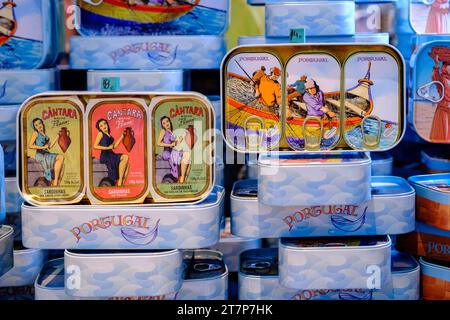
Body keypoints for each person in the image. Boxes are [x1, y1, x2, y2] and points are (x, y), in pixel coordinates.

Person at [28, 118, 65, 187]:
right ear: (34, 127)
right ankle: (55, 182)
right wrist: (43, 147)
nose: (39, 125)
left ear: (42, 123)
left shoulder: (44, 134)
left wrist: (57, 136)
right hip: (41, 156)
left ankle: (56, 183)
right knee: (61, 157)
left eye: (40, 123)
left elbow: (49, 147)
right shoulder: (35, 133)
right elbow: (30, 145)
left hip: (47, 154)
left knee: (62, 164)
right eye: (36, 125)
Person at [93, 119, 129, 187]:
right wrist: (107, 148)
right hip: (105, 155)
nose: (104, 126)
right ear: (99, 128)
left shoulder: (109, 135)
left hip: (111, 154)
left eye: (105, 124)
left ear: (107, 124)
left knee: (127, 164)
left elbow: (114, 146)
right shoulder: (100, 134)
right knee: (125, 157)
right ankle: (120, 181)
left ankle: (122, 184)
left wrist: (122, 136)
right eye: (101, 126)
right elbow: (95, 146)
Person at [157, 116, 192, 183]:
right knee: (184, 156)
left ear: (170, 121)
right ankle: (181, 179)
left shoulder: (172, 132)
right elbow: (158, 143)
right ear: (162, 125)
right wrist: (170, 145)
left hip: (174, 151)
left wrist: (181, 138)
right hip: (167, 153)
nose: (166, 124)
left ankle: (183, 179)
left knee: (188, 156)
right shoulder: (163, 131)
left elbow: (176, 143)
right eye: (163, 123)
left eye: (167, 121)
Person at [429, 53, 450, 142]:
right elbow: (435, 77)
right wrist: (436, 64)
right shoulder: (442, 79)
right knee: (443, 133)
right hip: (443, 110)